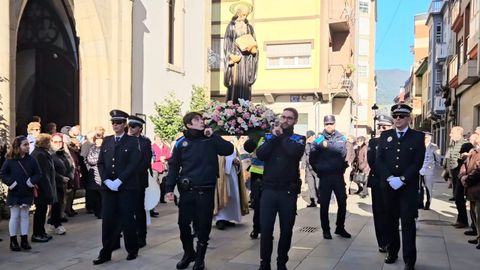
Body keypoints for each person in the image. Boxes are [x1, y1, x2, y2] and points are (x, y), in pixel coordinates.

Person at [165, 112, 233, 270]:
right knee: (183, 224)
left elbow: (228, 150)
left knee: (203, 225)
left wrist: (214, 136)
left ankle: (200, 258)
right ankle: (188, 253)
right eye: (197, 119)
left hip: (206, 189)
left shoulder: (210, 139)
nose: (201, 121)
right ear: (189, 124)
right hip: (187, 190)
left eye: (202, 119)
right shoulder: (181, 143)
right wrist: (169, 188)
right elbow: (174, 166)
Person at [376, 103, 425, 270]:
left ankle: (409, 260)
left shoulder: (417, 137)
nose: (397, 119)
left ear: (408, 118)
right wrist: (389, 177)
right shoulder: (385, 136)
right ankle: (392, 251)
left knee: (407, 223)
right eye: (395, 116)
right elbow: (379, 159)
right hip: (388, 186)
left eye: (401, 116)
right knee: (390, 221)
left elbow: (417, 162)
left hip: (407, 188)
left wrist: (402, 179)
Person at [256, 108, 305, 270]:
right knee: (266, 228)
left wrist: (281, 136)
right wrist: (274, 138)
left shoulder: (298, 139)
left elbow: (294, 153)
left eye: (289, 118)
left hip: (287, 191)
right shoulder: (269, 137)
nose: (285, 120)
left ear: (295, 121)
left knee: (286, 229)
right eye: (283, 117)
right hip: (269, 190)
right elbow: (261, 154)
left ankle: (281, 262)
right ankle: (265, 263)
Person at [93, 110, 142, 265]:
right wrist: (106, 180)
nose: (116, 125)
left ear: (124, 124)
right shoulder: (107, 141)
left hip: (126, 187)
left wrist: (119, 180)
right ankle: (106, 252)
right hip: (109, 188)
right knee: (107, 220)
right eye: (113, 122)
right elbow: (100, 163)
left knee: (127, 219)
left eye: (119, 122)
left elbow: (133, 164)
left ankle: (132, 249)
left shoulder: (133, 141)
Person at [309, 115, 351, 240]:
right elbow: (312, 159)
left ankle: (340, 227)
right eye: (327, 124)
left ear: (335, 124)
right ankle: (326, 230)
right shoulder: (318, 139)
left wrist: (341, 168)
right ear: (324, 124)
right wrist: (320, 170)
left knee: (342, 203)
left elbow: (344, 155)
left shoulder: (341, 138)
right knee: (325, 204)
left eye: (331, 123)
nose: (329, 125)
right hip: (325, 176)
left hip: (338, 176)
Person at [0, 136, 41, 251]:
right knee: (14, 216)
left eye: (28, 144)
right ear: (18, 146)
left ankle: (24, 239)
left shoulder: (32, 159)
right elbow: (3, 174)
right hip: (15, 191)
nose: (28, 147)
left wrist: (31, 181)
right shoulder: (10, 159)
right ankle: (13, 241)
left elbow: (38, 173)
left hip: (27, 191)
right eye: (25, 145)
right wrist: (11, 183)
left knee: (24, 216)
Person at [367, 114, 393, 253]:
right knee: (379, 213)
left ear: (391, 127)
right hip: (377, 181)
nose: (382, 129)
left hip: (392, 182)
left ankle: (391, 240)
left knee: (391, 212)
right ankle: (382, 242)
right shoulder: (373, 142)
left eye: (386, 126)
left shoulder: (396, 140)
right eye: (380, 126)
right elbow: (372, 161)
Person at [223, 1, 258, 103]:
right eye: (242, 14)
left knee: (244, 85)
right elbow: (227, 43)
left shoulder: (249, 28)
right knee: (235, 84)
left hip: (246, 61)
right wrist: (231, 55)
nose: (244, 17)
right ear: (237, 13)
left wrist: (253, 50)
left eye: (246, 15)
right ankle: (232, 106)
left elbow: (255, 44)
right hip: (235, 61)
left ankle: (245, 107)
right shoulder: (231, 27)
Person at [128, 115, 152, 248]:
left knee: (139, 209)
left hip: (138, 180)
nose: (130, 129)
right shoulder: (124, 140)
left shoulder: (145, 142)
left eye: (133, 126)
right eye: (129, 126)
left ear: (140, 128)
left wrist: (131, 172)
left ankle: (141, 236)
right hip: (124, 181)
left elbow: (145, 161)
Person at [214, 137, 249, 230]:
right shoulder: (217, 144)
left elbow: (236, 155)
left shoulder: (232, 144)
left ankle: (228, 218)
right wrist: (230, 161)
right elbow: (219, 159)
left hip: (233, 174)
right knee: (223, 194)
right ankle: (220, 219)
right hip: (222, 175)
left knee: (233, 195)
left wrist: (237, 161)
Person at [30, 133, 57, 243]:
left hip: (42, 187)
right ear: (45, 143)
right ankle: (37, 234)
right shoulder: (40, 154)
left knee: (42, 211)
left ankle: (41, 232)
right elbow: (44, 175)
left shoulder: (40, 153)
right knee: (40, 211)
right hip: (42, 188)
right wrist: (48, 191)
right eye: (49, 142)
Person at [460, 131, 480, 249]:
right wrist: (462, 176)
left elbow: (478, 170)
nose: (474, 136)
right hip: (472, 189)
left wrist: (467, 179)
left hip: (477, 188)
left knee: (479, 215)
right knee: (474, 215)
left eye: (477, 134)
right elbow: (465, 166)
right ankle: (478, 237)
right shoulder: (474, 151)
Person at [445, 126, 469, 228]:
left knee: (459, 198)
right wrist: (447, 173)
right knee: (457, 198)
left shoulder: (465, 144)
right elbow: (449, 158)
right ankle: (460, 220)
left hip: (460, 174)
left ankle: (463, 221)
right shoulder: (452, 144)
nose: (450, 135)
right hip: (454, 174)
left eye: (452, 133)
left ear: (459, 133)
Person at [243, 134, 265, 239]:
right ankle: (257, 229)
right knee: (257, 205)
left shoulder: (266, 139)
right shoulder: (256, 138)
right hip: (256, 177)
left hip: (267, 176)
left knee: (266, 206)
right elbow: (248, 148)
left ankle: (265, 230)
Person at [48, 133, 70, 235]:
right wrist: (61, 177)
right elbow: (49, 170)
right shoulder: (49, 154)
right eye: (55, 142)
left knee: (60, 203)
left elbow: (69, 164)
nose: (58, 143)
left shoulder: (63, 152)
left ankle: (54, 223)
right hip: (53, 183)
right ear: (51, 142)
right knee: (56, 204)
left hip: (63, 182)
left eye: (60, 141)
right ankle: (57, 224)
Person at [419, 132, 440, 210]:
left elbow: (438, 158)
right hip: (419, 170)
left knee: (428, 187)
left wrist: (435, 168)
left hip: (429, 169)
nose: (423, 139)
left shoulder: (434, 147)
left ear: (429, 138)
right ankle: (420, 203)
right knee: (419, 187)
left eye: (425, 138)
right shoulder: (419, 146)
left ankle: (428, 203)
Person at [85, 135, 103, 218]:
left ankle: (103, 211)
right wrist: (100, 160)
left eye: (100, 140)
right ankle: (98, 212)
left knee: (103, 194)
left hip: (103, 174)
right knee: (95, 195)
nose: (99, 142)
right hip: (94, 174)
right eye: (97, 140)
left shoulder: (106, 148)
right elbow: (90, 160)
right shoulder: (91, 149)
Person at [151, 135, 171, 210]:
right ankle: (155, 199)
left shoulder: (165, 147)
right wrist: (159, 158)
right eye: (157, 139)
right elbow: (152, 156)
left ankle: (162, 198)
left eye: (159, 139)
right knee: (155, 184)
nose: (158, 141)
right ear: (155, 140)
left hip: (163, 167)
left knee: (163, 184)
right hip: (155, 167)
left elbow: (169, 155)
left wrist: (165, 157)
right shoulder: (152, 146)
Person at [301, 130, 318, 207]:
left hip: (317, 168)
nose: (310, 138)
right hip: (308, 168)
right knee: (311, 186)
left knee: (318, 185)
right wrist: (302, 166)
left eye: (311, 137)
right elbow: (304, 156)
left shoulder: (318, 144)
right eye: (309, 137)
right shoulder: (306, 145)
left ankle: (321, 199)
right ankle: (313, 201)